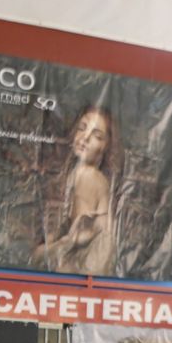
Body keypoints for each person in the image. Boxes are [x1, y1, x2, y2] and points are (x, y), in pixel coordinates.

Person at [37, 106, 116, 275]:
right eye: (82, 128)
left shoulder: (90, 177)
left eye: (97, 136)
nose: (85, 137)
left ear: (106, 146)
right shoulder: (75, 174)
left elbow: (74, 248)